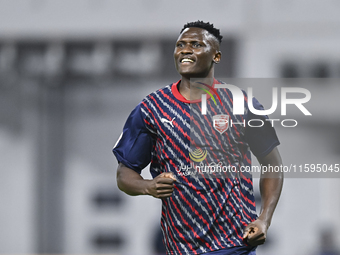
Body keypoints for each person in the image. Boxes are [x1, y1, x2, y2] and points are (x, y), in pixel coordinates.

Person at [113, 21, 283, 255]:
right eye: (180, 44)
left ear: (216, 56)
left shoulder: (242, 105)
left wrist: (264, 218)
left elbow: (273, 165)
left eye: (196, 44)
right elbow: (124, 173)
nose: (185, 49)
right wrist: (147, 186)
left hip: (235, 244)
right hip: (180, 247)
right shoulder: (152, 109)